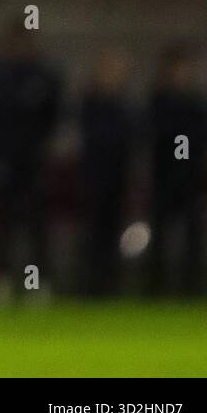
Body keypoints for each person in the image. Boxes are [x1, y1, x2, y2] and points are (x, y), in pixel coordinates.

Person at [0, 20, 62, 298]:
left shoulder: (44, 77)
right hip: (0, 158)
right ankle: (0, 281)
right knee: (1, 224)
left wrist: (41, 150)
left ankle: (38, 283)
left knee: (36, 224)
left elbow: (52, 118)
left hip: (34, 160)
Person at [145, 44, 207, 296]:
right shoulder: (156, 103)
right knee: (160, 237)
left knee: (193, 237)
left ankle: (192, 289)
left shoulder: (199, 106)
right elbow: (152, 137)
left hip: (192, 181)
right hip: (163, 179)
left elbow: (206, 140)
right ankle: (155, 290)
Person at [77, 48, 133, 297]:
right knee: (91, 232)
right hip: (92, 176)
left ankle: (111, 285)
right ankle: (88, 285)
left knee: (114, 233)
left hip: (118, 176)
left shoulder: (128, 106)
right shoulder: (89, 103)